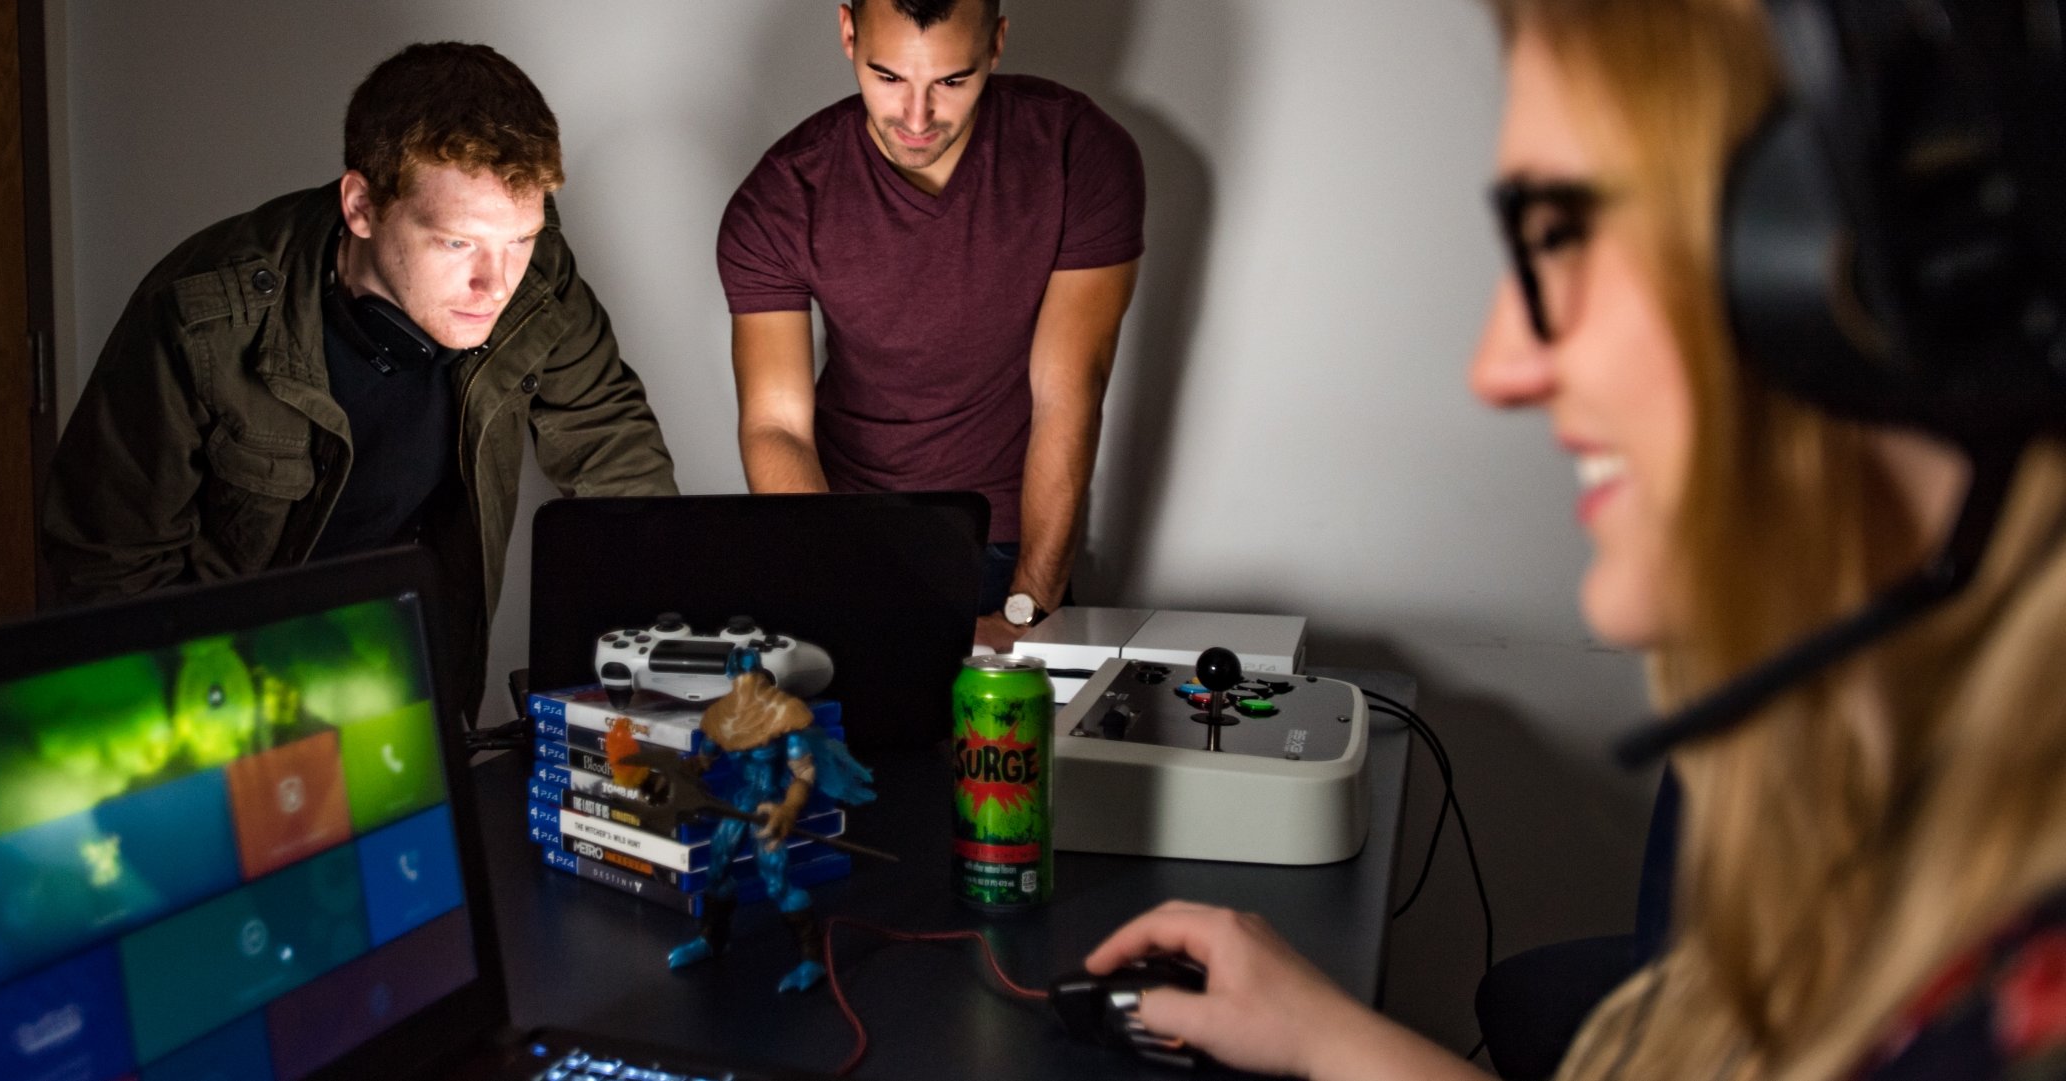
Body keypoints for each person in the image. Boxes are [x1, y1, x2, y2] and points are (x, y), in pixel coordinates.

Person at [1084, 1, 2066, 1078]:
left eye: (1566, 235)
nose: (1499, 365)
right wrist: (1330, 1038)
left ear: (1846, 275)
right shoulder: (1859, 802)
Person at [43, 43, 677, 716]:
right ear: (362, 206)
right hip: (226, 689)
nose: (496, 284)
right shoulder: (204, 317)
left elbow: (616, 460)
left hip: (419, 677)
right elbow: (110, 570)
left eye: (519, 240)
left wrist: (668, 660)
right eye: (457, 242)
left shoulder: (538, 281)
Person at [716, 0, 1143, 651]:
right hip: (840, 528)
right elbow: (775, 427)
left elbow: (1069, 394)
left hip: (1005, 546)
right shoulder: (779, 200)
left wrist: (1024, 614)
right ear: (848, 33)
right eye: (889, 77)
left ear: (997, 44)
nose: (917, 119)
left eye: (951, 80)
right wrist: (852, 596)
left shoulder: (1078, 155)